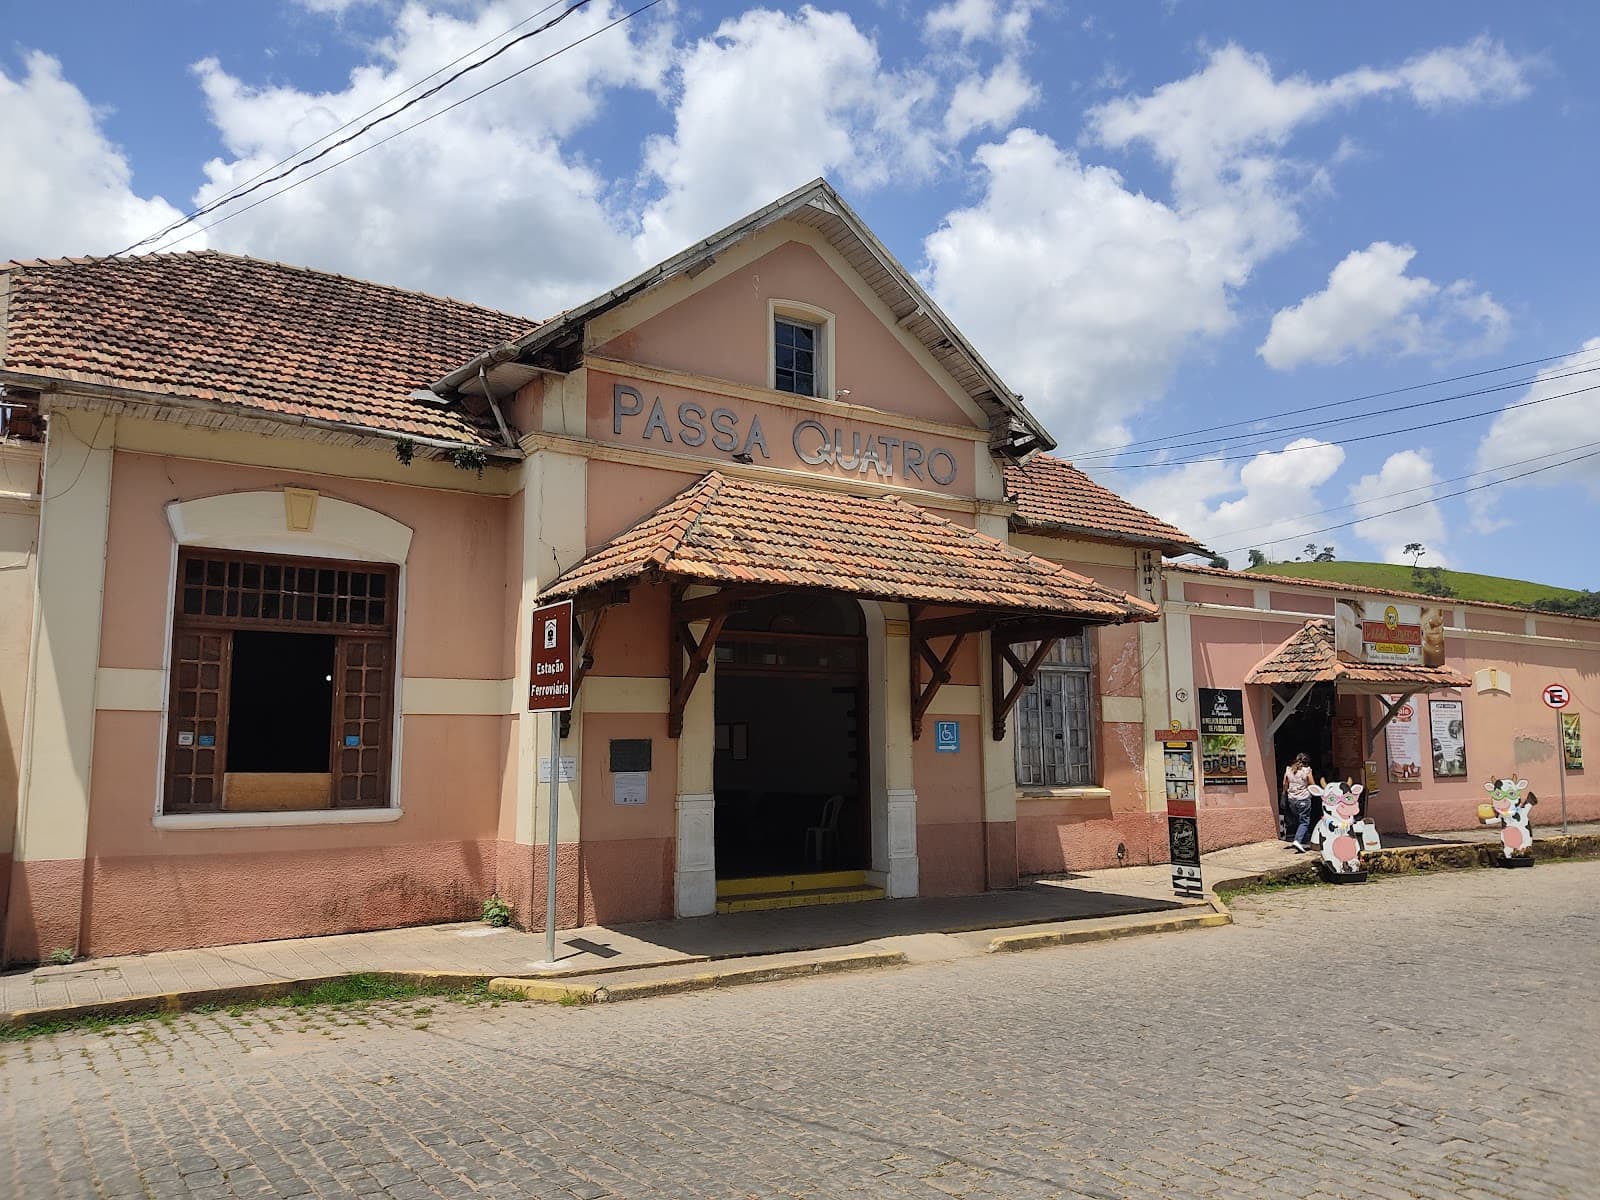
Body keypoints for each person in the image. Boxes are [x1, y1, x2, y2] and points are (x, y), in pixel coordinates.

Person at [1281, 752, 1316, 852]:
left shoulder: (1289, 769)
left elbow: (1285, 784)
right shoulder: (1307, 771)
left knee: (1300, 821)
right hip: (1303, 799)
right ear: (1307, 762)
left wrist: (1285, 793)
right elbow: (1312, 784)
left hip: (1292, 800)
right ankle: (1298, 841)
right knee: (1304, 822)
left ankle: (1304, 842)